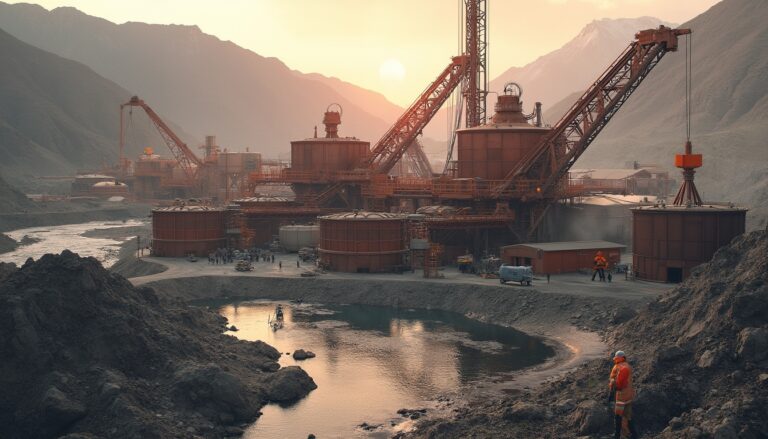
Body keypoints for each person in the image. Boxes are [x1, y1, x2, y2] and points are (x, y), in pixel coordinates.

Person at [608, 350, 638, 439]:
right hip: (629, 395)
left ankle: (617, 435)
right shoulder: (627, 366)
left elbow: (619, 383)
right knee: (628, 416)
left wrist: (612, 392)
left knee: (618, 416)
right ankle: (634, 435)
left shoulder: (619, 367)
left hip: (621, 396)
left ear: (618, 358)